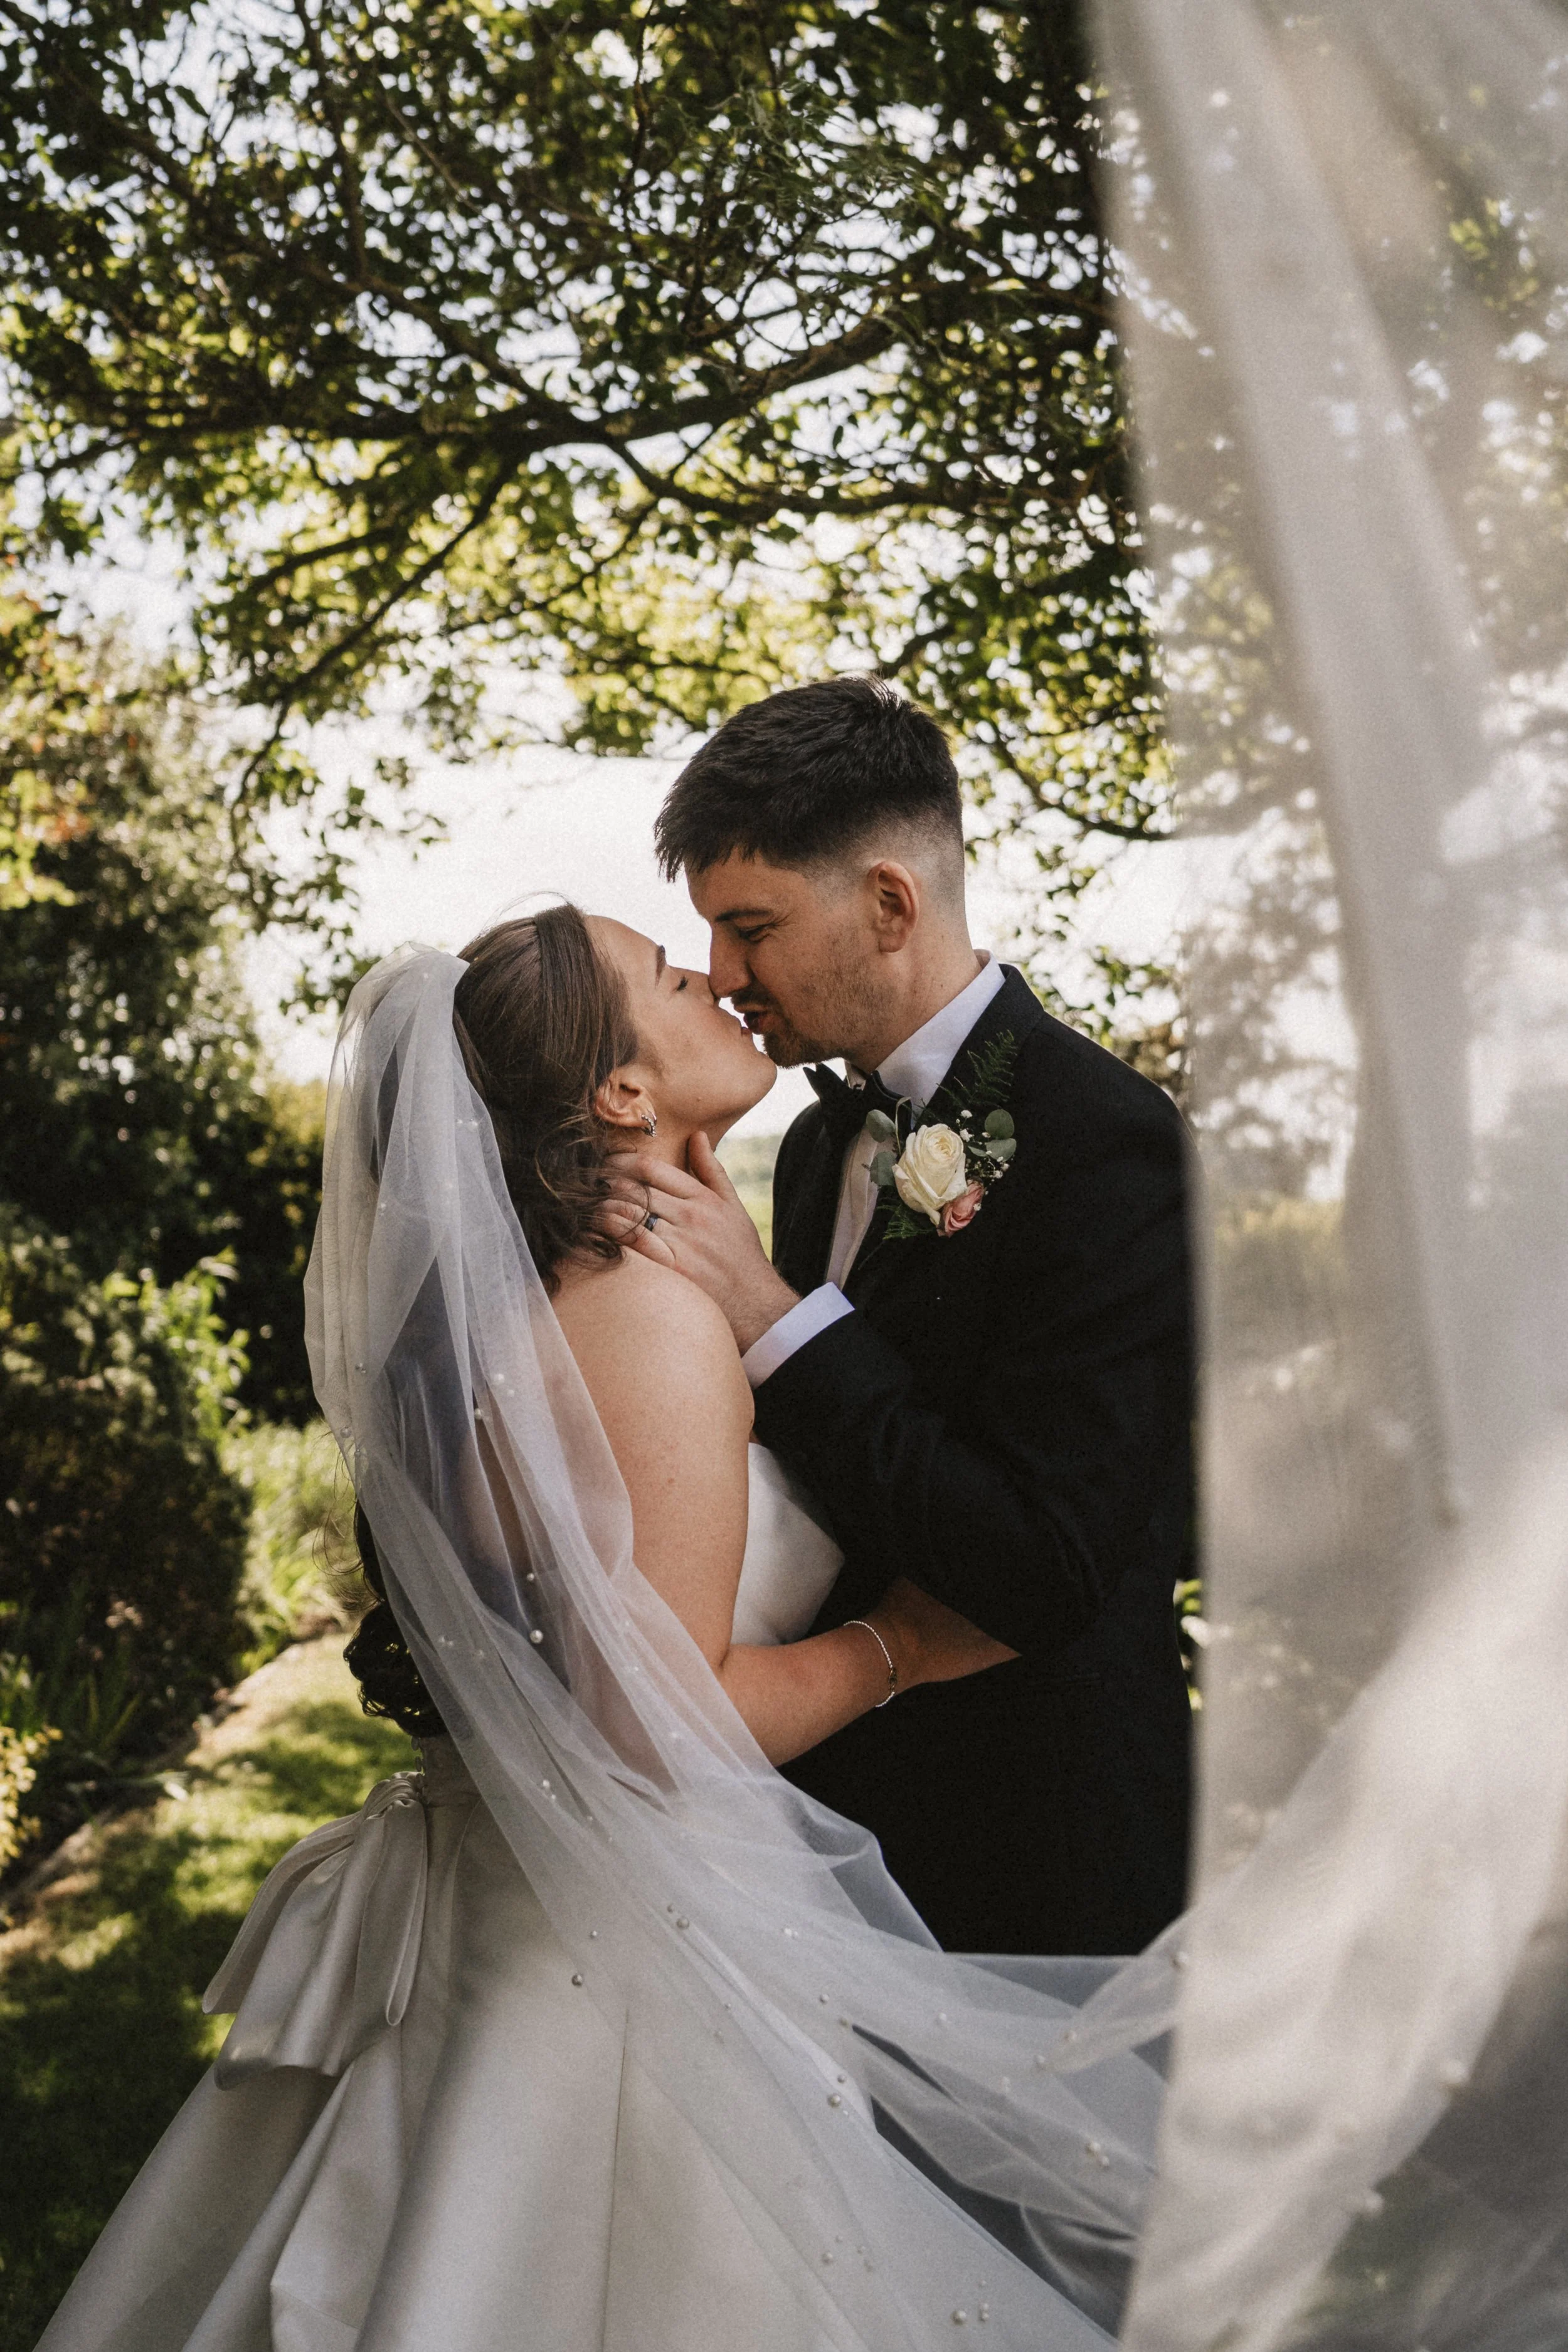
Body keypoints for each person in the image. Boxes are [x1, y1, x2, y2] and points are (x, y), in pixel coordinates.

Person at [37, 908, 1168, 2352]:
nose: (711, 976)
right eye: (667, 972)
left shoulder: (550, 1294)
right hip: (615, 1947)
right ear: (619, 1096)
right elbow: (655, 1716)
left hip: (548, 1894)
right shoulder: (640, 1312)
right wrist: (894, 1646)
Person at [613, 678, 1195, 1955]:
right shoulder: (823, 1142)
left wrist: (770, 1314)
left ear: (888, 903)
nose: (722, 974)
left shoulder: (1110, 1146)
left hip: (1041, 1859)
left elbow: (1042, 1560)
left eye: (749, 925)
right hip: (833, 1838)